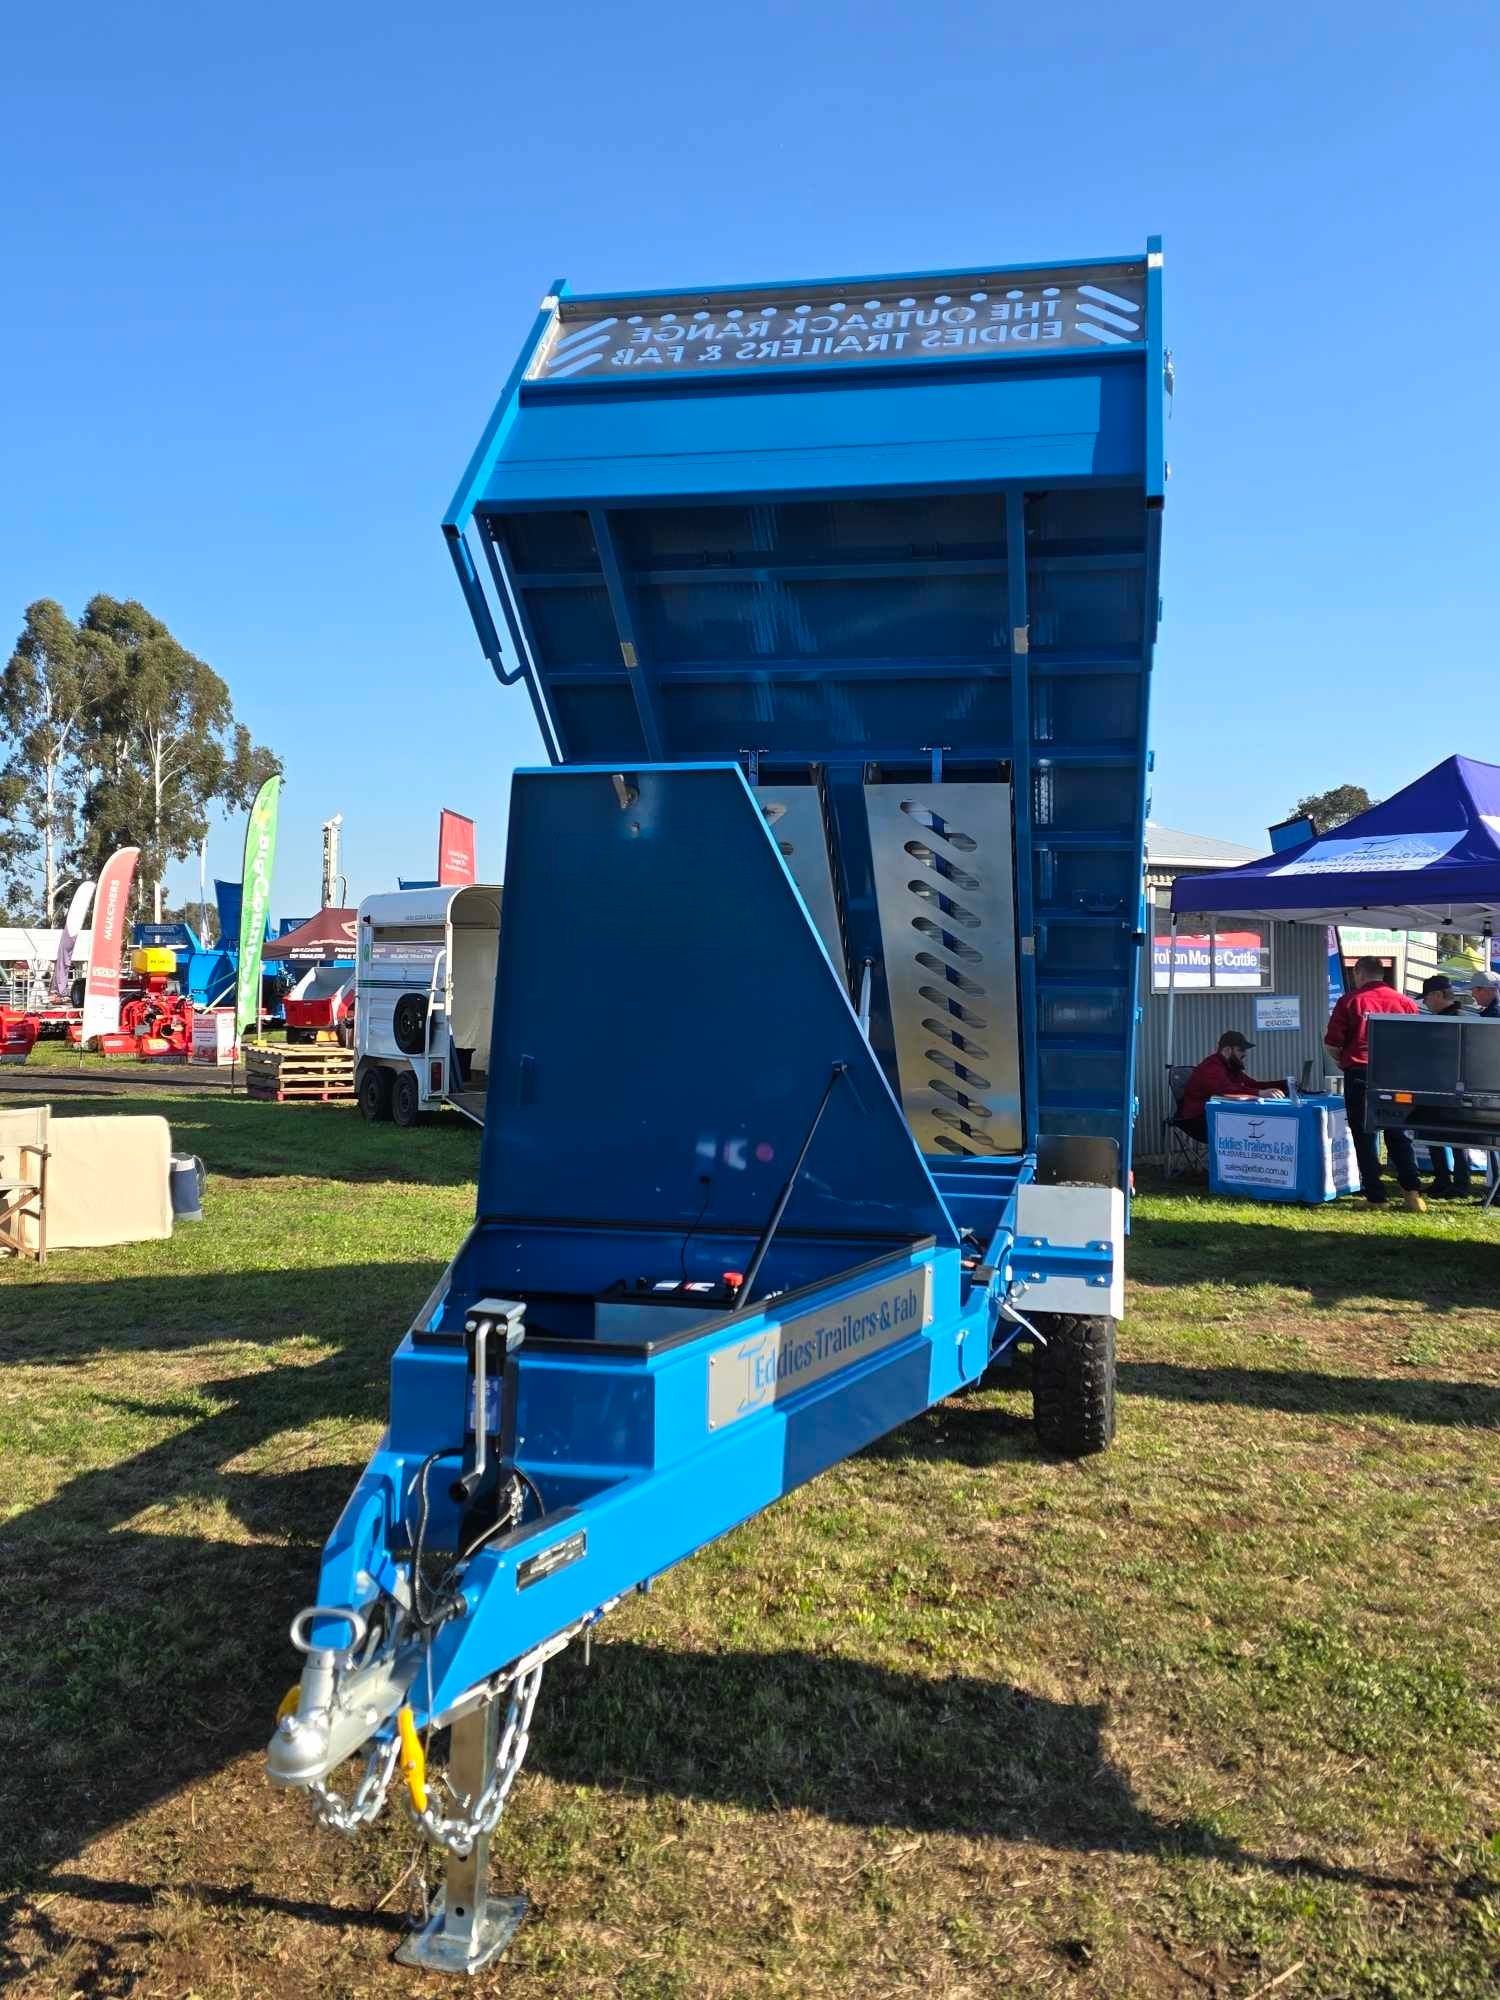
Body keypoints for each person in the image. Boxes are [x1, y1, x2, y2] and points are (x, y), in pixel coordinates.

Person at [1325, 956, 1425, 1210]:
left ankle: (1376, 1196)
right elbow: (1418, 1041)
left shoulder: (1350, 1001)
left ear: (1359, 973)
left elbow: (1332, 1043)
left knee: (1364, 1133)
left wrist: (1344, 1061)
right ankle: (1412, 1193)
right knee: (1399, 1131)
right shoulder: (1405, 1003)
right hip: (1396, 1075)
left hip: (1360, 1072)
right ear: (1381, 974)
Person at [1173, 1030, 1283, 1144]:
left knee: (1252, 1125)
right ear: (1227, 1050)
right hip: (1197, 1120)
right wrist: (1260, 1093)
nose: (1245, 1054)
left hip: (1216, 1117)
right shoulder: (1211, 1067)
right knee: (1251, 1128)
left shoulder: (1231, 1067)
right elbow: (1225, 1090)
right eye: (1241, 1050)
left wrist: (1285, 1085)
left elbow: (1253, 1084)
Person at [1420, 976, 1473, 1195]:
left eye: (1427, 998)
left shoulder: (1454, 1019)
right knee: (1435, 1135)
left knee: (1455, 1137)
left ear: (1438, 995)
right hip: (1440, 1085)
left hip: (1450, 1086)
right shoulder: (1454, 1017)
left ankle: (1459, 1183)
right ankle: (1443, 1179)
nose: (1425, 1003)